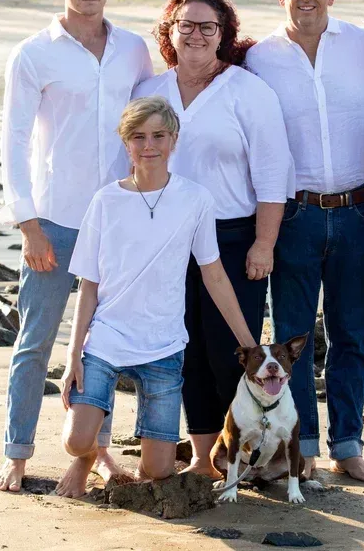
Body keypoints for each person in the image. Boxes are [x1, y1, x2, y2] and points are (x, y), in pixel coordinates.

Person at [0, 0, 153, 493]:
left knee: (103, 345)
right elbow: (13, 143)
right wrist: (28, 224)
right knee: (35, 340)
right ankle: (17, 452)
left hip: (116, 220)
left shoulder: (133, 49)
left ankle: (97, 450)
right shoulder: (34, 53)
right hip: (54, 221)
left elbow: (149, 129)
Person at [130, 0, 294, 478]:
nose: (197, 35)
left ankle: (248, 458)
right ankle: (205, 459)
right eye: (187, 26)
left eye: (208, 27)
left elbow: (273, 174)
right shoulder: (149, 93)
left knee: (232, 350)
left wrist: (264, 243)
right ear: (170, 32)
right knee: (185, 348)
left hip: (234, 236)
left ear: (223, 34)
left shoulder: (248, 90)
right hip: (166, 236)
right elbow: (134, 164)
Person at [57, 97, 258, 497]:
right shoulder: (105, 202)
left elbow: (214, 274)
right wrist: (72, 355)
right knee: (76, 439)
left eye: (158, 136)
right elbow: (90, 284)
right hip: (108, 338)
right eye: (138, 137)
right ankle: (90, 457)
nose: (149, 145)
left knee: (158, 471)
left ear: (174, 140)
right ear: (125, 143)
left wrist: (249, 344)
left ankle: (124, 456)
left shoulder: (196, 199)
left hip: (163, 345)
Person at [245, 0, 364, 482]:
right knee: (291, 339)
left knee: (352, 336)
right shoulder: (258, 58)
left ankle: (347, 446)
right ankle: (298, 448)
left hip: (360, 210)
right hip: (295, 216)